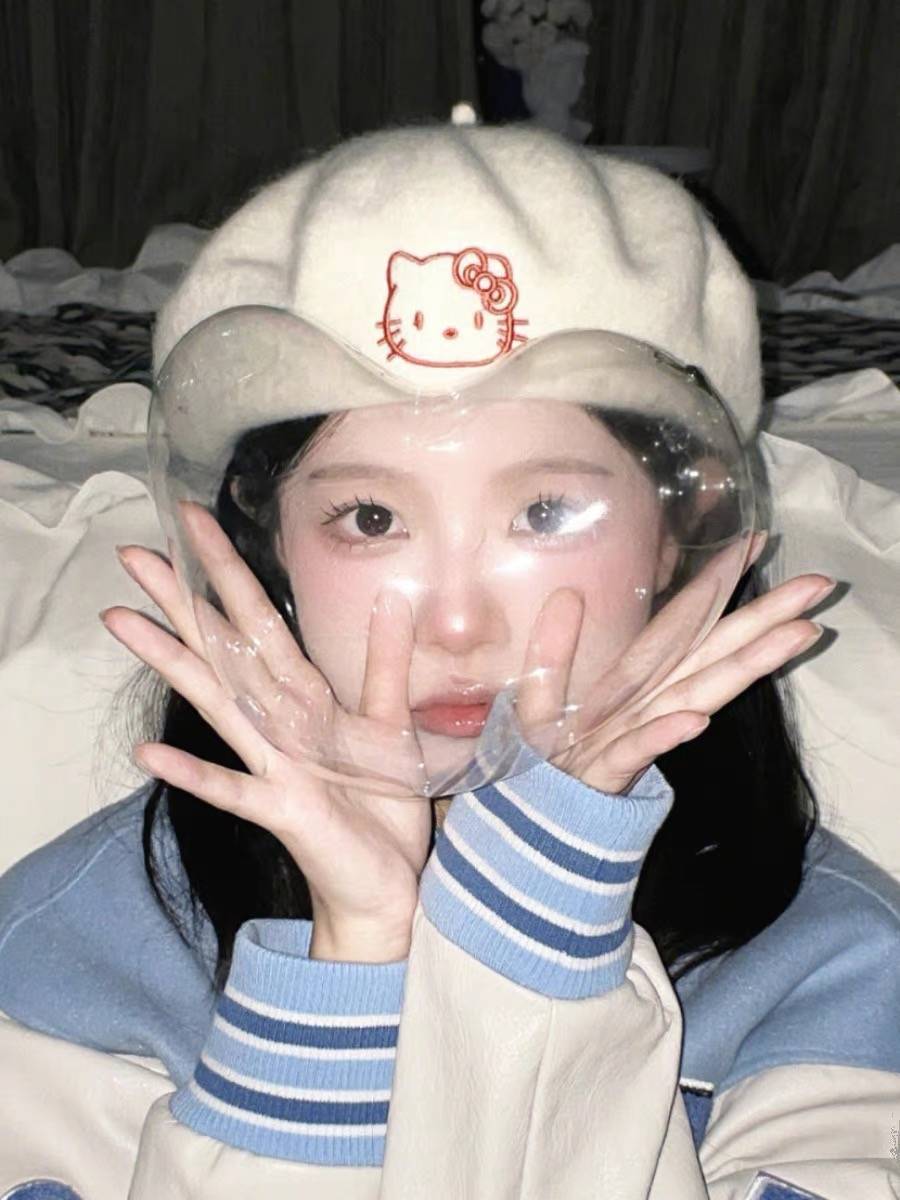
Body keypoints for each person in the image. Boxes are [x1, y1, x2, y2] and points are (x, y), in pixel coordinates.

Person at [0, 121, 897, 1200]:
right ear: (267, 550)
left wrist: (537, 915)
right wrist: (353, 961)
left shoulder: (836, 975)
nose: (459, 626)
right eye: (371, 518)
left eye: (547, 512)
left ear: (679, 538)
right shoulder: (75, 957)